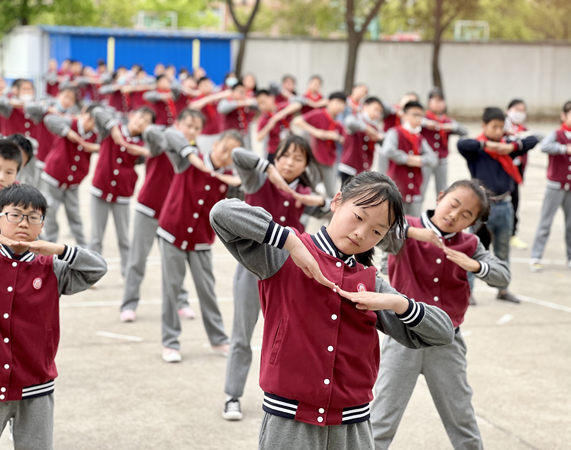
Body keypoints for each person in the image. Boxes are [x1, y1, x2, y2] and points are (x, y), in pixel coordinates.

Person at [210, 171, 454, 450]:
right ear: (337, 201)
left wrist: (398, 303)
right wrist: (290, 242)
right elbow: (222, 213)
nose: (361, 233)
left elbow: (443, 332)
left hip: (353, 426)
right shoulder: (282, 254)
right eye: (358, 217)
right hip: (288, 420)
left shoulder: (371, 283)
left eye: (376, 231)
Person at [370, 179, 510, 450]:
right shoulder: (406, 228)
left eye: (466, 215)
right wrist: (413, 233)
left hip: (447, 344)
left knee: (461, 418)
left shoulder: (470, 243)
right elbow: (378, 229)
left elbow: (503, 276)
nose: (455, 215)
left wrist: (475, 265)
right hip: (403, 341)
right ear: (440, 197)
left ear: (473, 222)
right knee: (382, 419)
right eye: (453, 204)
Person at [0, 183, 106, 450]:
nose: (24, 223)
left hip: (35, 386)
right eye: (15, 215)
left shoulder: (52, 267)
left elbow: (98, 268)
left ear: (42, 225)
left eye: (33, 217)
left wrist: (60, 250)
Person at [222, 135, 331, 421]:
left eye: (298, 158)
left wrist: (318, 199)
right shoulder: (257, 180)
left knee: (291, 336)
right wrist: (267, 167)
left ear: (306, 165)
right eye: (284, 156)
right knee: (242, 333)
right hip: (251, 268)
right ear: (276, 157)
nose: (289, 163)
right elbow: (238, 154)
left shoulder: (303, 193)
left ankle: (290, 397)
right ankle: (232, 395)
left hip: (287, 274)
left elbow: (338, 209)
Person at [156, 129, 243, 363]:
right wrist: (190, 153)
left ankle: (218, 339)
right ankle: (170, 342)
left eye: (232, 154)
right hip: (172, 234)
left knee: (207, 290)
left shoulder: (230, 180)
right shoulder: (189, 161)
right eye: (224, 149)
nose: (225, 156)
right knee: (171, 289)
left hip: (201, 241)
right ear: (215, 144)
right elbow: (169, 134)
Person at [119, 109, 201, 323]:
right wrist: (168, 135)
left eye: (196, 128)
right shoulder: (161, 141)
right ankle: (128, 304)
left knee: (173, 263)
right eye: (188, 126)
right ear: (177, 124)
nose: (191, 131)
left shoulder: (193, 153)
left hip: (173, 215)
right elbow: (150, 132)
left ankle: (182, 302)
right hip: (148, 209)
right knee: (137, 260)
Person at [457, 107, 539, 303]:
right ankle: (468, 291)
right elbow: (461, 143)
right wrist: (486, 145)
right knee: (473, 250)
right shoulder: (477, 148)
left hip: (505, 206)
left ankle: (503, 289)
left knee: (503, 251)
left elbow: (535, 138)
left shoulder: (507, 146)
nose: (498, 131)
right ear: (484, 125)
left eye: (501, 127)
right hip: (481, 208)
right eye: (494, 126)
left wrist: (512, 146)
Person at [89, 106, 155, 277]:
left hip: (122, 194)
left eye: (147, 122)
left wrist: (143, 151)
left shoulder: (143, 145)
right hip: (101, 189)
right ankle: (90, 273)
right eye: (140, 117)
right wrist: (113, 128)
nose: (141, 122)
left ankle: (128, 273)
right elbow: (97, 111)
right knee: (96, 237)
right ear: (132, 115)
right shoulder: (111, 129)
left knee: (124, 238)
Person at [41, 104, 101, 247]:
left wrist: (94, 147)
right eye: (88, 118)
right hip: (54, 176)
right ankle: (49, 244)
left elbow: (107, 144)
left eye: (94, 122)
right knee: (50, 212)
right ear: (83, 114)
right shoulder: (71, 123)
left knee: (74, 213)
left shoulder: (96, 136)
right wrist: (67, 132)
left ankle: (82, 245)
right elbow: (49, 119)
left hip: (74, 181)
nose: (89, 123)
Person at [529, 100, 571, 272]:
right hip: (555, 185)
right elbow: (544, 146)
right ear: (563, 116)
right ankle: (536, 257)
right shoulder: (557, 133)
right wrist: (564, 149)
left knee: (570, 225)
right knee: (545, 222)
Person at [380, 100, 438, 217]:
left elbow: (433, 159)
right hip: (396, 189)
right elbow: (387, 150)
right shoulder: (395, 132)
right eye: (414, 115)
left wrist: (421, 160)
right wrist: (407, 159)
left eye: (420, 116)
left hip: (415, 190)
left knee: (414, 223)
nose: (418, 119)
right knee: (393, 222)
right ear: (405, 115)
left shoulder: (419, 138)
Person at [291, 92, 347, 197]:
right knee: (308, 188)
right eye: (338, 102)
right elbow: (297, 121)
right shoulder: (319, 114)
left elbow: (344, 139)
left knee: (331, 192)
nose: (340, 106)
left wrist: (337, 137)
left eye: (343, 104)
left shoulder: (338, 124)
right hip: (315, 159)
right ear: (329, 102)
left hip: (329, 160)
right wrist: (318, 133)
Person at [420, 87, 468, 198]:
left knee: (442, 191)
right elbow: (411, 123)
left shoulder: (446, 121)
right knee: (421, 189)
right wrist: (426, 123)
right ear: (429, 103)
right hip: (425, 160)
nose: (438, 104)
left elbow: (465, 132)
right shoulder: (424, 119)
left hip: (442, 160)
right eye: (435, 100)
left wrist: (452, 126)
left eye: (441, 100)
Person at [504, 99, 536, 251]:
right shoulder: (500, 127)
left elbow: (536, 138)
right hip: (502, 171)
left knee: (514, 203)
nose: (519, 113)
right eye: (516, 109)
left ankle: (512, 234)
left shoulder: (524, 130)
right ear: (508, 110)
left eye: (522, 110)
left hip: (516, 172)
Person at [338, 96, 385, 183]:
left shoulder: (375, 127)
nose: (377, 114)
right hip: (349, 168)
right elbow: (349, 122)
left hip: (364, 170)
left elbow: (384, 139)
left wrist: (380, 137)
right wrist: (366, 129)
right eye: (376, 109)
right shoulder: (355, 119)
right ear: (365, 106)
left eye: (380, 112)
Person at [217, 82, 257, 148]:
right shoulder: (227, 101)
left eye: (243, 92)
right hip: (229, 137)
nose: (242, 94)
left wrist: (246, 101)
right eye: (240, 92)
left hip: (243, 135)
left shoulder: (246, 101)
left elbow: (256, 104)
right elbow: (222, 109)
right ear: (233, 92)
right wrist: (238, 103)